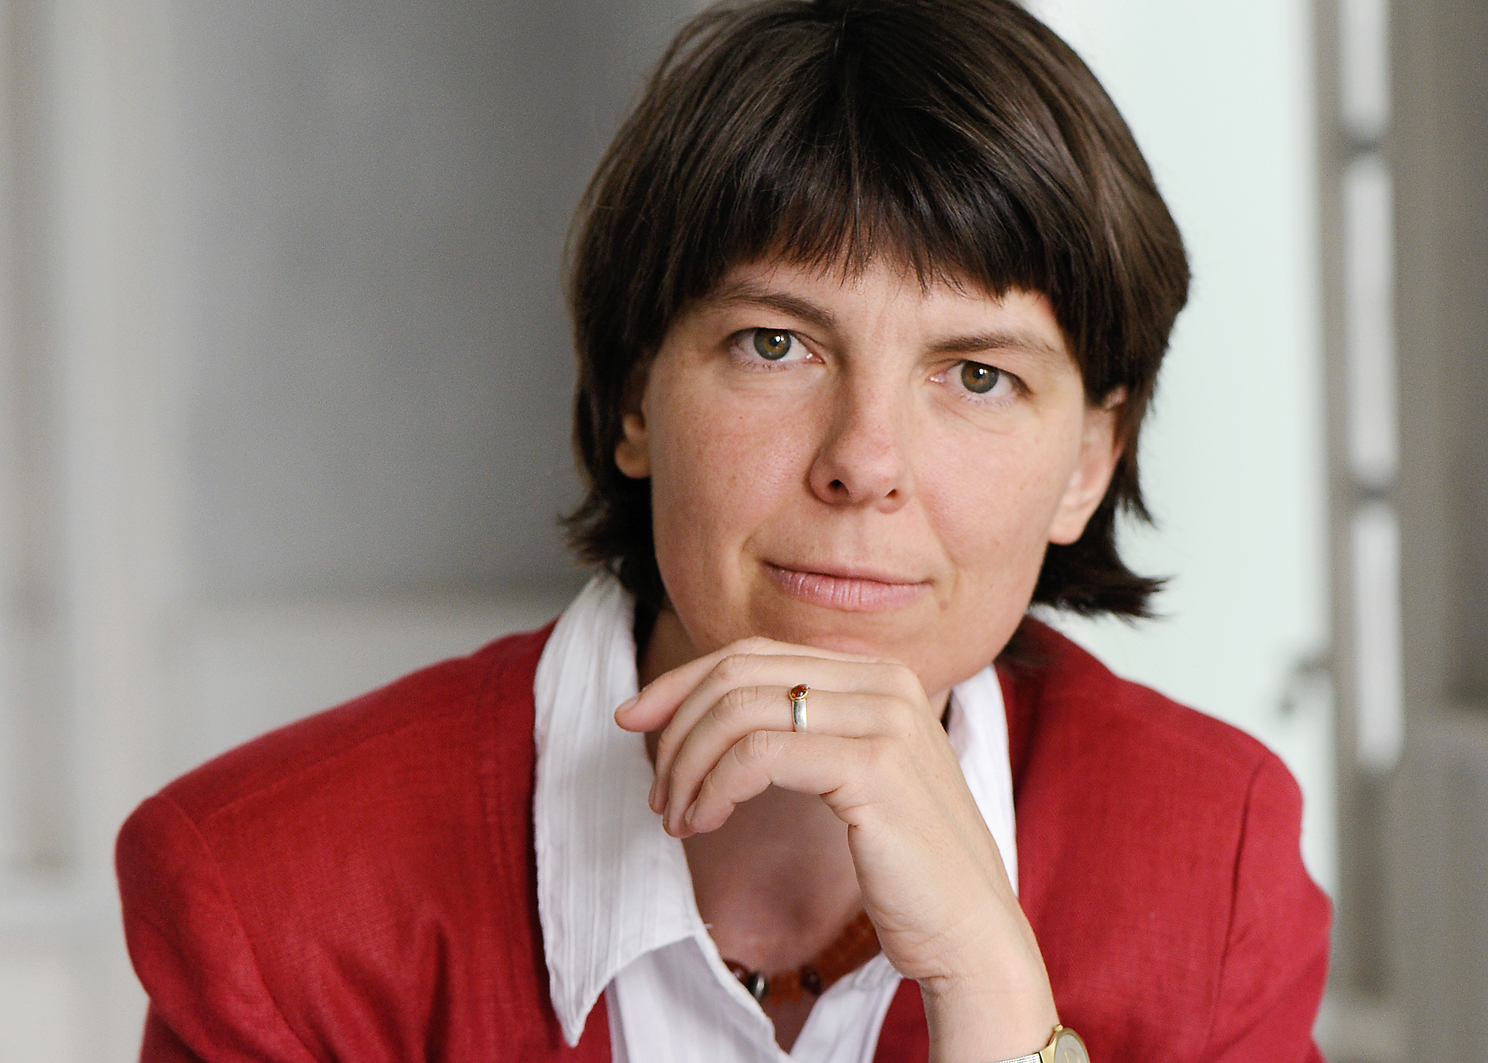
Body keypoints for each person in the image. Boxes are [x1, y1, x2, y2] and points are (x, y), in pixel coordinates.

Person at [115, 1, 1331, 1061]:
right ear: (634, 397)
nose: (864, 461)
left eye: (977, 374)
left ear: (1088, 464)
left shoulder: (1208, 866)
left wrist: (991, 987)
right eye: (775, 343)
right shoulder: (274, 892)